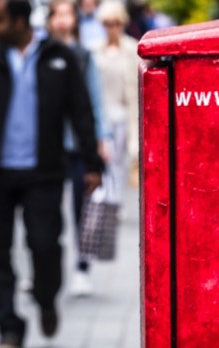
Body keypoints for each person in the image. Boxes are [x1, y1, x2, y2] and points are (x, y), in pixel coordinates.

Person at [0, 0, 102, 348]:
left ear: (20, 21)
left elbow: (80, 109)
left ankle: (46, 298)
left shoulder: (58, 56)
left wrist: (92, 162)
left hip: (44, 172)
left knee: (45, 244)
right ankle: (9, 328)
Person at [46, 0, 110, 297]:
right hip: (47, 144)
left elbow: (94, 101)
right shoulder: (39, 52)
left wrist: (101, 138)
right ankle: (44, 266)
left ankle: (83, 267)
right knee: (45, 210)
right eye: (56, 14)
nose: (62, 20)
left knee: (83, 209)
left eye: (66, 14)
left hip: (76, 144)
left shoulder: (83, 55)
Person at [93, 1, 137, 206]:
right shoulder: (95, 51)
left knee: (120, 161)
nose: (112, 27)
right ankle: (107, 199)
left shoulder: (131, 49)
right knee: (106, 159)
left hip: (123, 114)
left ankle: (115, 202)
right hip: (103, 113)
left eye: (116, 23)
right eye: (108, 23)